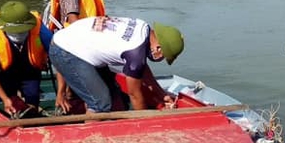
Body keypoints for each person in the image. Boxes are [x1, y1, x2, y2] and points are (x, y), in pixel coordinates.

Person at [49, 16, 184, 113]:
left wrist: (160, 93)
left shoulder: (142, 27)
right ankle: (93, 137)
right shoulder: (135, 52)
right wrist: (144, 124)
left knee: (115, 98)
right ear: (159, 48)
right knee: (100, 103)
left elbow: (141, 69)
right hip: (66, 51)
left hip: (71, 42)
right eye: (164, 57)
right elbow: (134, 95)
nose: (160, 59)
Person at [0, 1, 53, 117]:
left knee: (33, 96)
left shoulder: (41, 31)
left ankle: (32, 116)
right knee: (11, 102)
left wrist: (61, 94)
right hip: (4, 70)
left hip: (30, 67)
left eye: (23, 30)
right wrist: (5, 99)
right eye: (15, 32)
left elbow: (59, 60)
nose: (19, 34)